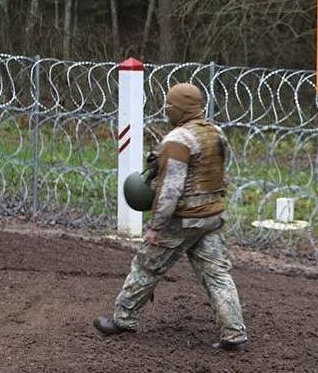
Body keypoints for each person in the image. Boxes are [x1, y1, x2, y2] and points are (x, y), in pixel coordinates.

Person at [93, 83, 248, 352]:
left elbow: (170, 191)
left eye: (169, 106)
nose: (166, 110)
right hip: (211, 217)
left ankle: (122, 319)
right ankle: (234, 335)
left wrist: (156, 226)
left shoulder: (178, 140)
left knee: (146, 267)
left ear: (180, 108)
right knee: (218, 276)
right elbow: (221, 175)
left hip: (181, 219)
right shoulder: (216, 132)